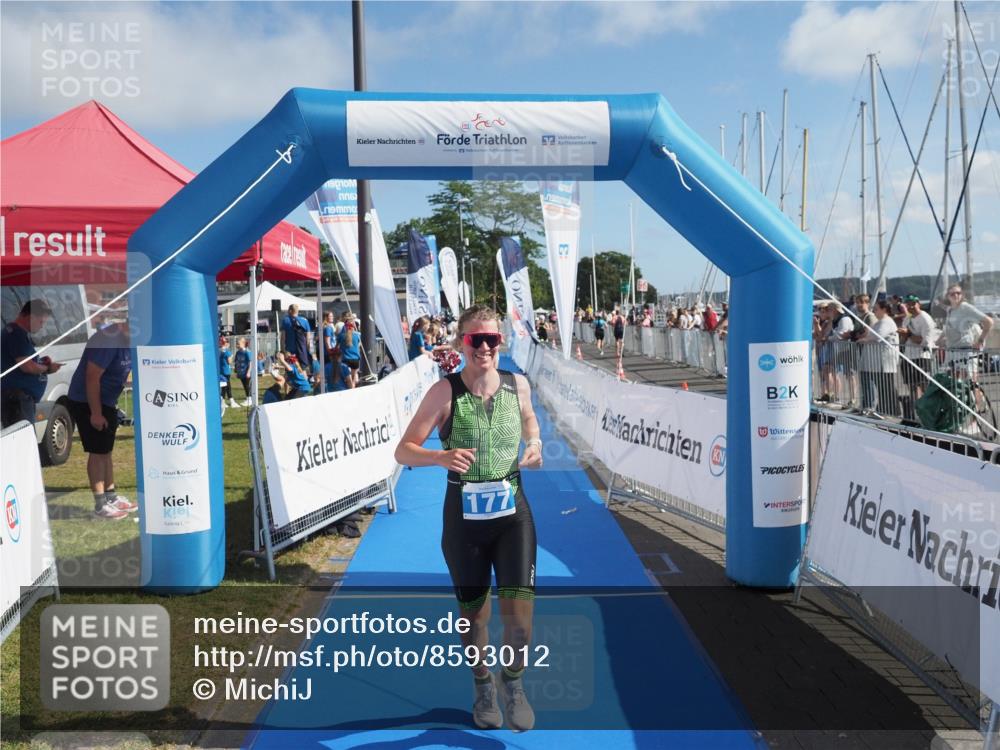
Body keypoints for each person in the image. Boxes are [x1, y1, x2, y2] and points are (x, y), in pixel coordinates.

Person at [394, 305, 543, 731]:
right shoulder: (444, 392)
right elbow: (404, 450)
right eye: (474, 339)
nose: (483, 347)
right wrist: (440, 456)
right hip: (464, 519)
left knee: (521, 621)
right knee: (475, 616)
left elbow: (530, 421)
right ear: (461, 342)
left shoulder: (518, 385)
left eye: (491, 339)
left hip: (514, 513)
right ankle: (482, 684)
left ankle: (512, 682)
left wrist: (534, 443)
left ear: (501, 343)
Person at [66, 322, 138, 520]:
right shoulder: (108, 339)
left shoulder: (130, 340)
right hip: (87, 401)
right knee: (98, 452)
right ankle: (100, 505)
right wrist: (96, 413)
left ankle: (111, 497)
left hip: (106, 401)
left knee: (106, 451)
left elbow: (118, 374)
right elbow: (92, 377)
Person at [1, 299, 62, 428]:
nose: (42, 326)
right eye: (41, 322)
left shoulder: (16, 333)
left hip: (19, 400)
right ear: (31, 317)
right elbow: (27, 366)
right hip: (17, 401)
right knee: (23, 441)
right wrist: (46, 368)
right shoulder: (16, 334)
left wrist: (42, 365)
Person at [942, 284, 993, 380]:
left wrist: (979, 341)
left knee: (971, 385)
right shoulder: (950, 310)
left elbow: (988, 322)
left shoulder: (965, 307)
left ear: (962, 295)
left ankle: (978, 395)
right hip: (953, 353)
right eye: (952, 294)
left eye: (958, 293)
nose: (956, 295)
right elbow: (949, 329)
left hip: (966, 352)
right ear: (947, 296)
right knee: (955, 386)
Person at [899, 295, 938, 419]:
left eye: (913, 304)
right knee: (911, 387)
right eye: (908, 304)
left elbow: (924, 342)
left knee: (924, 387)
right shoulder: (907, 318)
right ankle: (916, 414)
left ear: (918, 304)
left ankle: (929, 413)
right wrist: (903, 335)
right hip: (908, 356)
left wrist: (908, 334)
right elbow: (904, 338)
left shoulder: (925, 318)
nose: (911, 306)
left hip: (922, 357)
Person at [281, 304, 313, 370]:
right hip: (302, 351)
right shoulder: (305, 321)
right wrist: (309, 351)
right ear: (297, 311)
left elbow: (283, 338)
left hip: (290, 351)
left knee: (291, 372)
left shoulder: (285, 321)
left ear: (290, 311)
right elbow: (308, 339)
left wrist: (283, 351)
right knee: (303, 371)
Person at [337, 315, 362, 385]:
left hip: (345, 359)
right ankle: (353, 389)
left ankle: (349, 389)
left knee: (347, 379)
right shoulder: (357, 335)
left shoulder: (341, 336)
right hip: (355, 359)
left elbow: (337, 346)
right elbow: (359, 344)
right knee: (353, 378)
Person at [219, 336, 239, 409]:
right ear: (226, 343)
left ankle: (223, 402)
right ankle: (231, 401)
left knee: (224, 387)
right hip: (226, 371)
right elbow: (229, 362)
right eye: (227, 342)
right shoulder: (227, 352)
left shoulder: (219, 350)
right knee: (228, 387)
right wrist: (232, 356)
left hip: (221, 371)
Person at [234, 337, 253, 406]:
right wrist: (236, 370)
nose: (237, 345)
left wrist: (248, 372)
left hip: (246, 372)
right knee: (244, 385)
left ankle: (250, 399)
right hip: (241, 372)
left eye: (238, 344)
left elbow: (250, 363)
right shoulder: (238, 352)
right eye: (237, 344)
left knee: (247, 385)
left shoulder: (247, 352)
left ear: (243, 344)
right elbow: (236, 361)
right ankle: (247, 398)